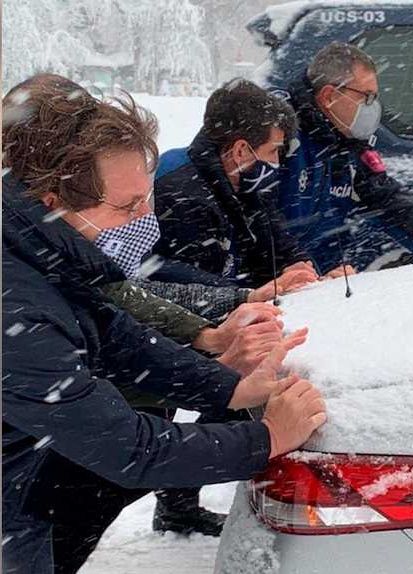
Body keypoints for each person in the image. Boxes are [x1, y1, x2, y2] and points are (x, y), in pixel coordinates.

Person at [2, 74, 326, 574]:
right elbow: (130, 449)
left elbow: (118, 336)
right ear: (54, 205)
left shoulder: (46, 248)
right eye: (128, 206)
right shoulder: (16, 307)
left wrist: (227, 390)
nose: (146, 217)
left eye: (146, 197)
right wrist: (266, 439)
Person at [271, 42, 413, 273]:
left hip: (318, 284)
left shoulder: (346, 142)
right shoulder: (276, 136)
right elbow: (256, 223)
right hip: (271, 290)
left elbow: (389, 202)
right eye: (366, 97)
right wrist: (290, 272)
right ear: (329, 96)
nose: (372, 107)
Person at [153, 79, 347, 286]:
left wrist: (302, 269)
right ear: (240, 151)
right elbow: (198, 291)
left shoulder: (246, 183)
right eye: (273, 151)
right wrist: (269, 288)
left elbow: (274, 242)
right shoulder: (183, 195)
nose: (277, 162)